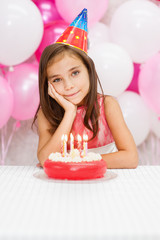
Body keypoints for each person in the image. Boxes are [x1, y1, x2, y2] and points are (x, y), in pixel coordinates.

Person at [33, 9, 138, 168]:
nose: (69, 85)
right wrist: (70, 113)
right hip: (63, 184)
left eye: (75, 73)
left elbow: (130, 158)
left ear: (89, 71)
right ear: (48, 84)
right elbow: (45, 160)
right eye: (57, 79)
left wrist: (80, 160)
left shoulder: (107, 105)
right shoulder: (47, 113)